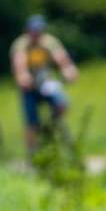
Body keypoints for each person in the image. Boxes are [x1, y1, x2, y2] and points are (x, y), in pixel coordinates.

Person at [10, 15, 79, 154]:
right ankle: (32, 154)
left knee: (62, 104)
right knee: (32, 123)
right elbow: (19, 63)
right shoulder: (21, 44)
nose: (36, 34)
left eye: (39, 31)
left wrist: (69, 70)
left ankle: (51, 127)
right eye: (33, 31)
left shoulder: (49, 42)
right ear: (28, 31)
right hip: (29, 86)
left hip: (46, 83)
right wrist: (23, 76)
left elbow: (61, 58)